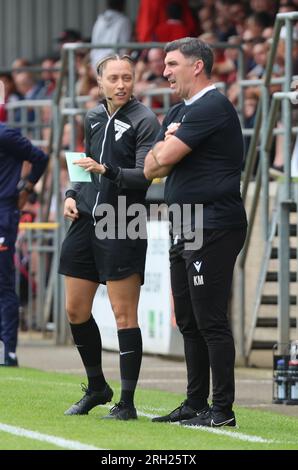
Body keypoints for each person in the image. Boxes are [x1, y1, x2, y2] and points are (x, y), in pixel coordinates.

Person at [144, 37, 247, 427]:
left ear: (197, 66)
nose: (165, 71)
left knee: (210, 319)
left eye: (172, 64)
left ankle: (221, 410)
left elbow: (163, 158)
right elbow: (155, 168)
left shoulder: (212, 106)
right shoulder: (178, 112)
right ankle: (195, 402)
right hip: (184, 222)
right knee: (187, 319)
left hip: (213, 223)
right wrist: (164, 146)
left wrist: (166, 146)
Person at [59, 54, 160, 420]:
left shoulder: (145, 120)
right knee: (75, 309)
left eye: (127, 78)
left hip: (123, 220)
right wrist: (72, 193)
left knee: (123, 314)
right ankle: (98, 387)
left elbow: (145, 175)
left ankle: (128, 403)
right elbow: (85, 161)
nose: (121, 84)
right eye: (114, 78)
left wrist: (108, 170)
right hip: (86, 219)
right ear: (99, 82)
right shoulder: (93, 115)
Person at [0, 124, 48, 366]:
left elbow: (40, 158)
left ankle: (8, 351)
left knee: (2, 283)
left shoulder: (5, 135)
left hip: (2, 214)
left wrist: (27, 188)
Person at [90, 0, 131, 73]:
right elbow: (124, 49)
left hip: (95, 64)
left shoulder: (99, 21)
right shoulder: (123, 21)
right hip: (113, 66)